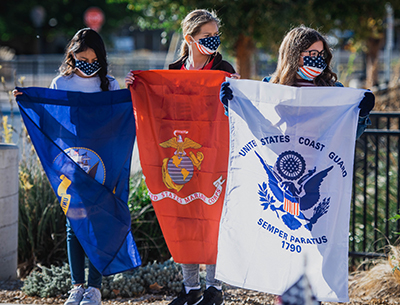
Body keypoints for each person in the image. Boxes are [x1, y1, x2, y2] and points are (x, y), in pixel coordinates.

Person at [126, 9, 239, 305]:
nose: (214, 40)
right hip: (180, 161)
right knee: (185, 219)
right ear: (189, 39)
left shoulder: (225, 68)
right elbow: (159, 109)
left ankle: (214, 289)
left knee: (214, 218)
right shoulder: (172, 71)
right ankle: (191, 289)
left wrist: (236, 88)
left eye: (216, 35)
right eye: (207, 36)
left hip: (214, 158)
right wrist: (136, 85)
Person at [14, 28, 120, 305]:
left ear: (102, 57)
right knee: (74, 222)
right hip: (72, 164)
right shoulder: (61, 84)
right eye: (82, 58)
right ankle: (77, 286)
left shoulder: (110, 84)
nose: (88, 64)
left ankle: (94, 289)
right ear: (72, 55)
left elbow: (120, 124)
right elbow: (50, 120)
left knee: (99, 224)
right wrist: (28, 99)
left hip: (102, 166)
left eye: (93, 58)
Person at [220, 25, 374, 139]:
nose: (318, 59)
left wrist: (360, 115)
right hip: (278, 167)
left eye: (321, 54)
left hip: (319, 162)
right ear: (293, 55)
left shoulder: (334, 89)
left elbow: (348, 135)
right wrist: (232, 104)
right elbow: (252, 125)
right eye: (312, 53)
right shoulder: (270, 87)